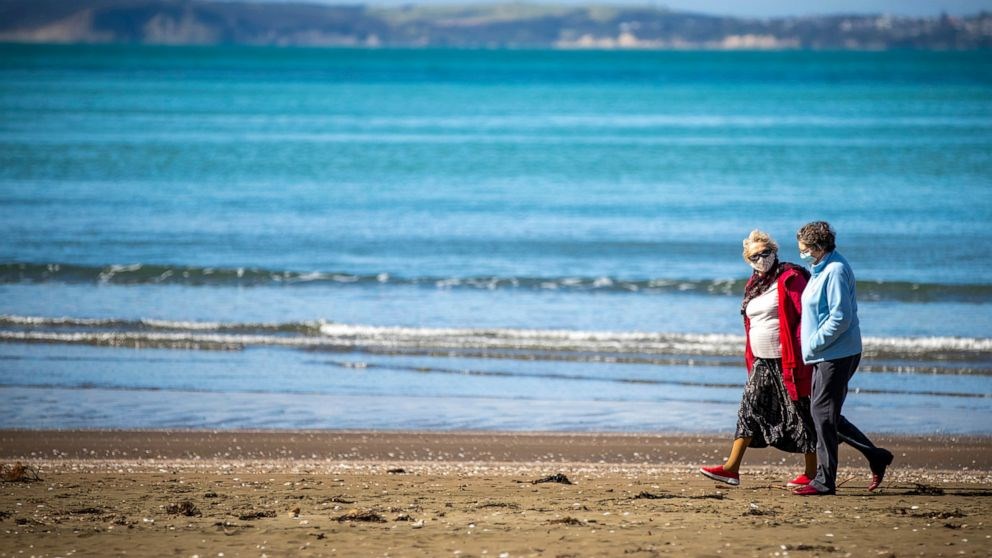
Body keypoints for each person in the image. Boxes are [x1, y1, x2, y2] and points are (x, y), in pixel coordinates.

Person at [700, 230, 817, 488]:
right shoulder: (754, 283)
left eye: (766, 253)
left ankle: (812, 472)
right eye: (755, 256)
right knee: (748, 409)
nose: (762, 259)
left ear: (775, 251)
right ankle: (731, 469)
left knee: (800, 413)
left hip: (787, 361)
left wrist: (804, 352)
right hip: (761, 361)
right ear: (748, 260)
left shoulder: (790, 277)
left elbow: (805, 316)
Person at [792, 221, 894, 496]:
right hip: (825, 353)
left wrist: (814, 343)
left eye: (804, 250)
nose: (802, 253)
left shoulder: (835, 270)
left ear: (819, 247)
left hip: (837, 353)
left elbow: (841, 316)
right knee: (824, 413)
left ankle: (825, 481)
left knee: (822, 415)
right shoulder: (821, 268)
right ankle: (876, 456)